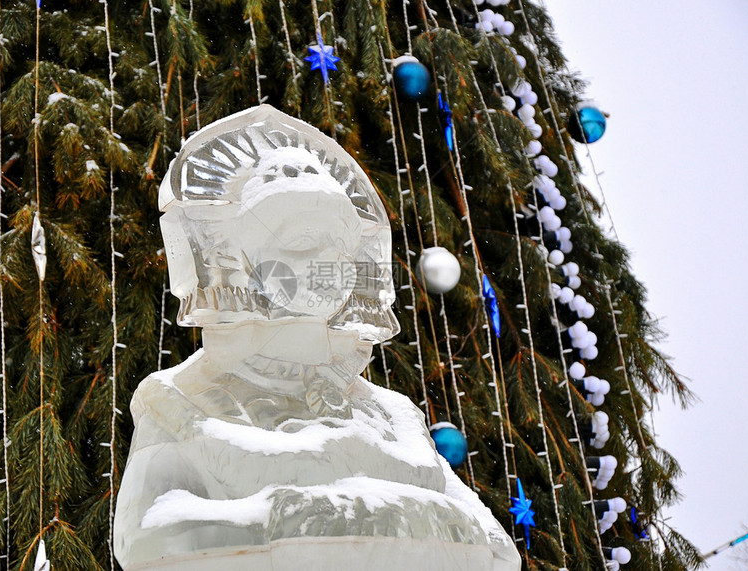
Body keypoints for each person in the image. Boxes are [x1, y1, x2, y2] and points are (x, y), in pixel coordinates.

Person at [113, 105, 519, 571]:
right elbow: (145, 539)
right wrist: (291, 524)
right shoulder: (181, 398)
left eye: (342, 249)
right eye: (303, 242)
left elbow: (496, 548)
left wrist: (366, 522)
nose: (331, 266)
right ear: (241, 260)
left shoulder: (392, 413)